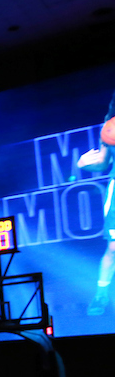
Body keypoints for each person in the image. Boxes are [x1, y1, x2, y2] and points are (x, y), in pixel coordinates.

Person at [75, 89, 115, 315]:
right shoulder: (111, 127)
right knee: (113, 247)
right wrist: (84, 165)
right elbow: (103, 161)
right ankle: (101, 294)